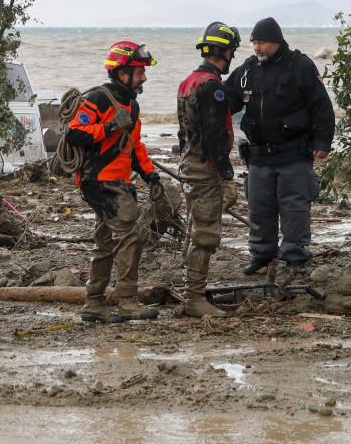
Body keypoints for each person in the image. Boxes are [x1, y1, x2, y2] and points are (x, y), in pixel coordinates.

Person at [224, 17, 334, 275]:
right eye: (254, 42)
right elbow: (227, 99)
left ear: (276, 41)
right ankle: (262, 254)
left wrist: (322, 142)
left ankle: (295, 256)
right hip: (259, 154)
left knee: (295, 207)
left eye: (261, 42)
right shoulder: (249, 69)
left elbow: (322, 106)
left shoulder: (300, 65)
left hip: (294, 152)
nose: (257, 47)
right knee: (259, 207)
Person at [67, 41, 165, 323]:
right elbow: (75, 134)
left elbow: (134, 147)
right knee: (129, 236)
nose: (144, 77)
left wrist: (152, 177)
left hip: (116, 181)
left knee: (105, 241)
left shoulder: (131, 106)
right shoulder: (98, 98)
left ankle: (94, 304)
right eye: (139, 72)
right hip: (97, 180)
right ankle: (127, 301)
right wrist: (110, 126)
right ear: (121, 73)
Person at [176, 22, 242, 318]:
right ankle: (193, 298)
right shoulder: (212, 87)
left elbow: (183, 132)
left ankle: (193, 291)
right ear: (226, 52)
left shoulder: (188, 81)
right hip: (205, 170)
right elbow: (215, 136)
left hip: (188, 165)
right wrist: (227, 177)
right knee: (205, 233)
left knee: (194, 230)